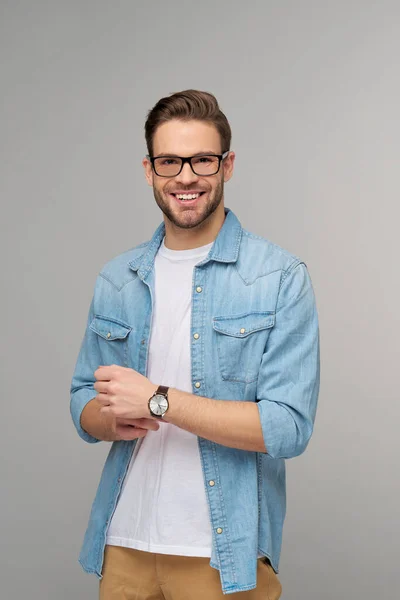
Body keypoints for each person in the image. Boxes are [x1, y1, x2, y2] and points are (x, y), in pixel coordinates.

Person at [70, 89, 320, 599]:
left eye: (201, 159)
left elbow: (288, 427)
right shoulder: (118, 278)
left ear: (227, 165)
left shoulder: (279, 277)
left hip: (221, 555)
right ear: (149, 170)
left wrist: (159, 400)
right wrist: (107, 417)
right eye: (169, 162)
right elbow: (82, 402)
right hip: (123, 546)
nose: (185, 177)